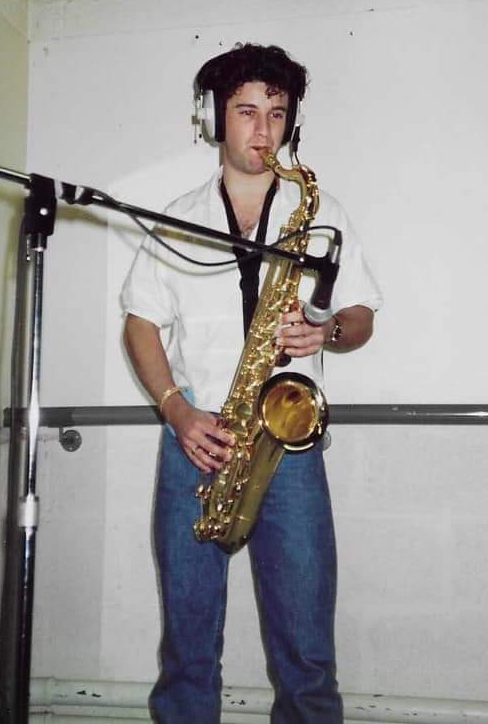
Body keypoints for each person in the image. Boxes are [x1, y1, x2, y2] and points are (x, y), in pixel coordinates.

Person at [122, 43, 382, 724]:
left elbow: (360, 316)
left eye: (277, 113)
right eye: (246, 112)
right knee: (187, 647)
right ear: (214, 119)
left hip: (288, 445)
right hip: (197, 439)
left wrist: (327, 332)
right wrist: (176, 411)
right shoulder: (177, 216)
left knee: (306, 650)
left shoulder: (320, 214)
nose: (265, 130)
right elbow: (140, 325)